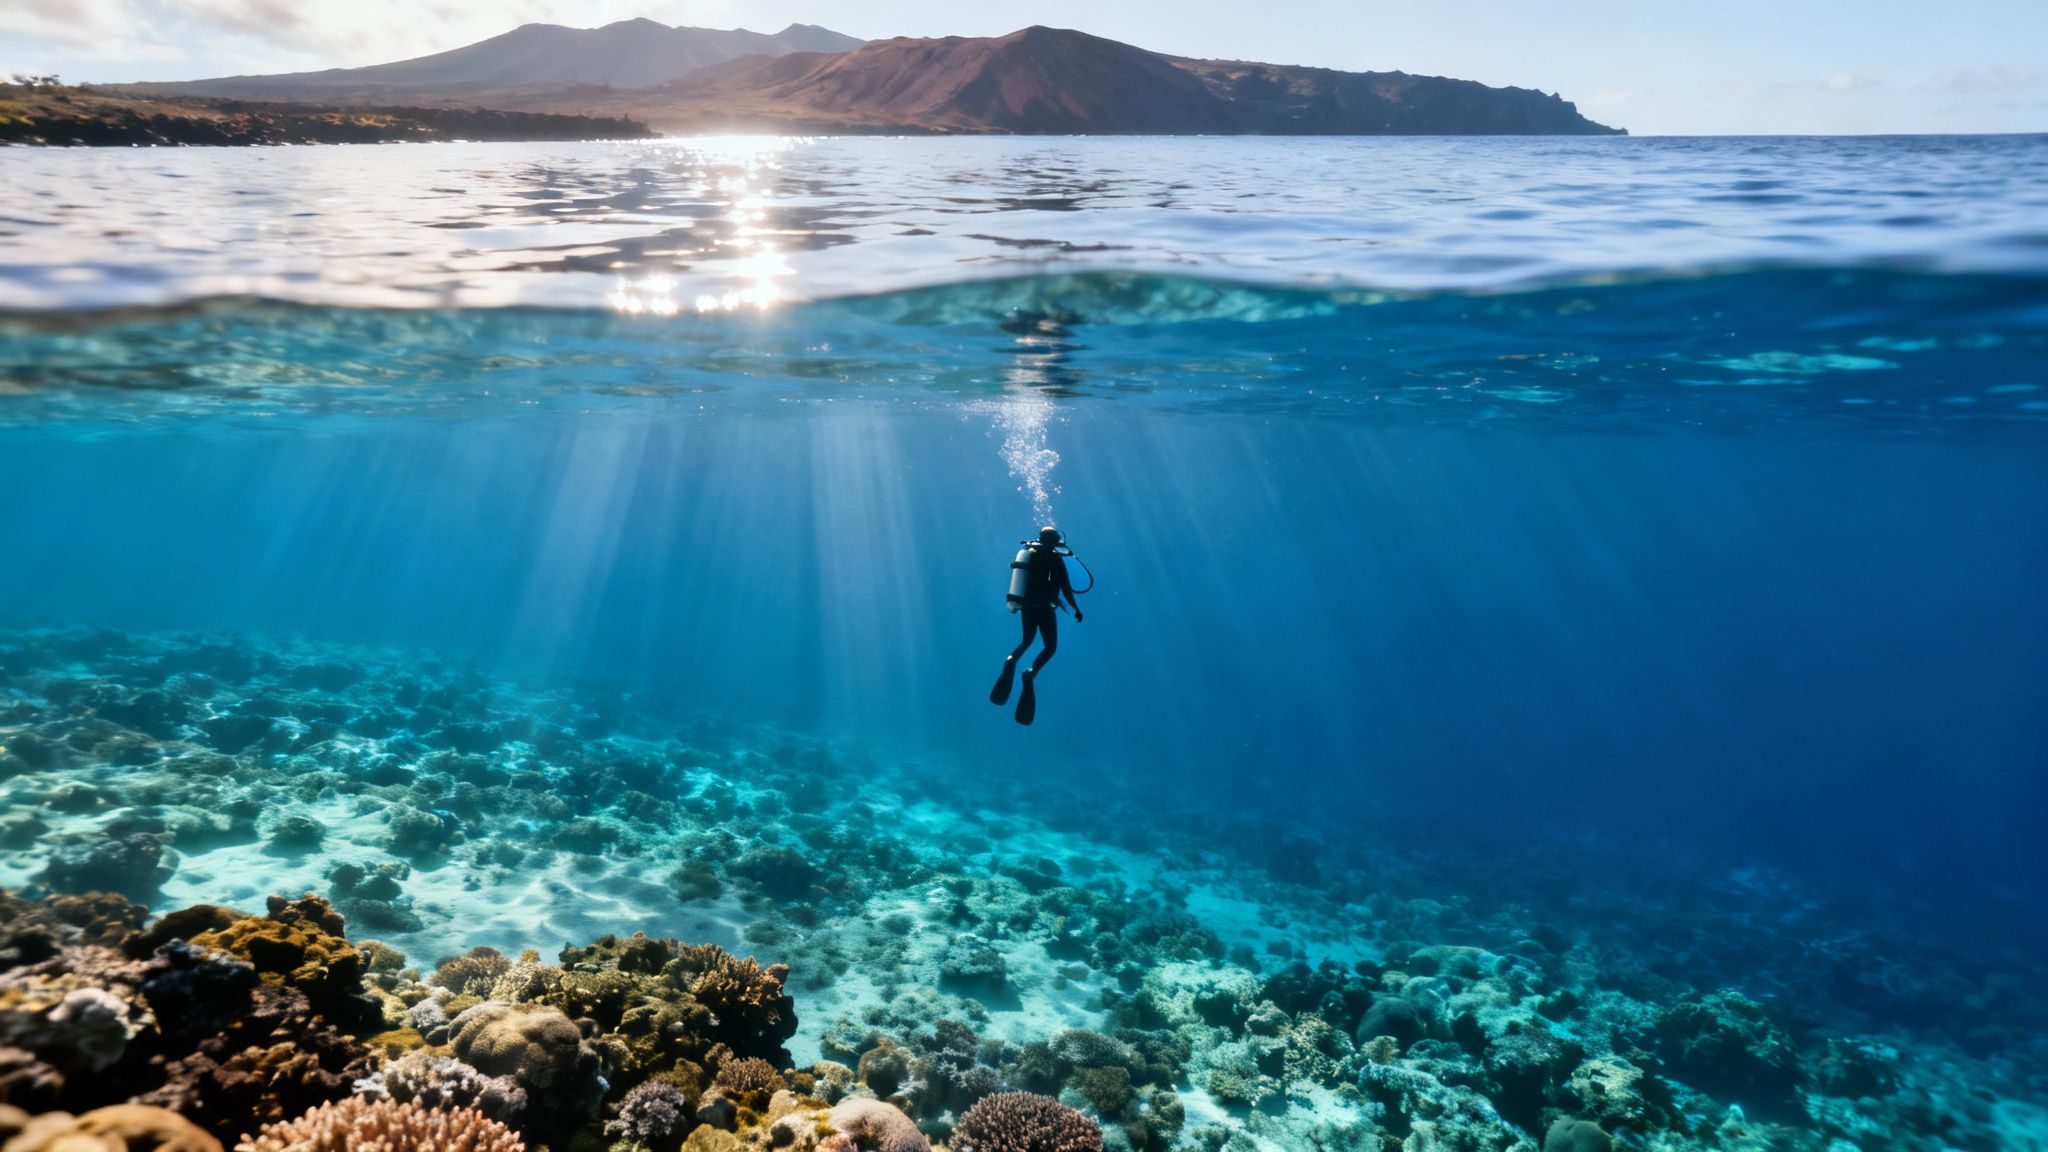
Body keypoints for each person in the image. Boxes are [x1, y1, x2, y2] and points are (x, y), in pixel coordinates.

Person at [990, 526, 1082, 725]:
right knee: (1050, 647)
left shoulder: (1029, 555)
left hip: (1027, 607)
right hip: (1046, 610)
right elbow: (1066, 589)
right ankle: (1030, 673)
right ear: (1056, 540)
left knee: (1026, 640)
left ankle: (1010, 660)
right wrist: (1076, 609)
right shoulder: (1055, 559)